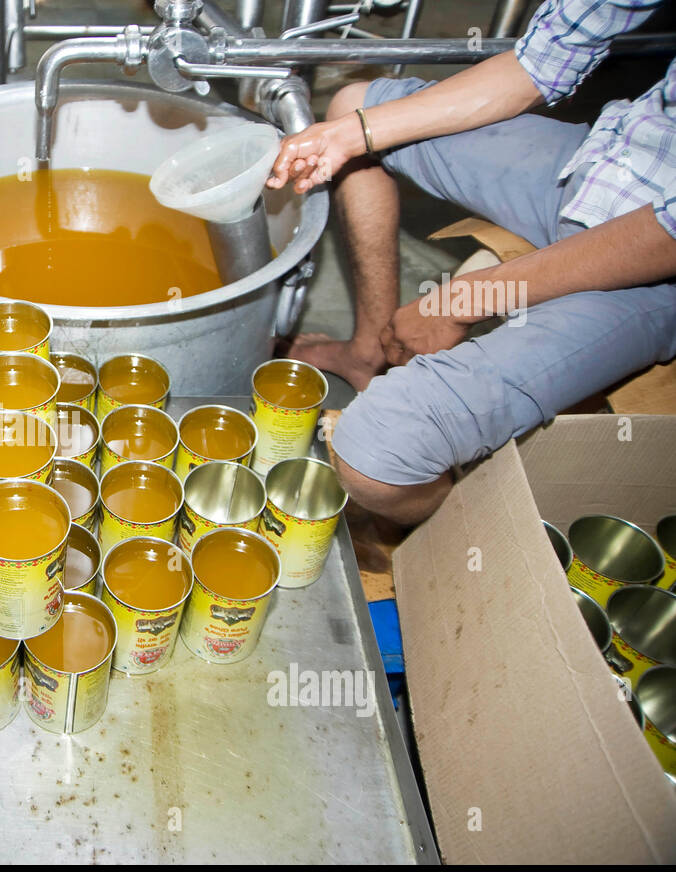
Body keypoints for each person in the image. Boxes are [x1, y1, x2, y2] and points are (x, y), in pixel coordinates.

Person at [267, 0, 676, 524]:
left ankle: (464, 536)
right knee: (356, 107)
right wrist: (353, 134)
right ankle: (367, 351)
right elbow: (541, 61)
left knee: (373, 455)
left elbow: (666, 234)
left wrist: (464, 297)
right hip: (607, 164)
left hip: (656, 263)